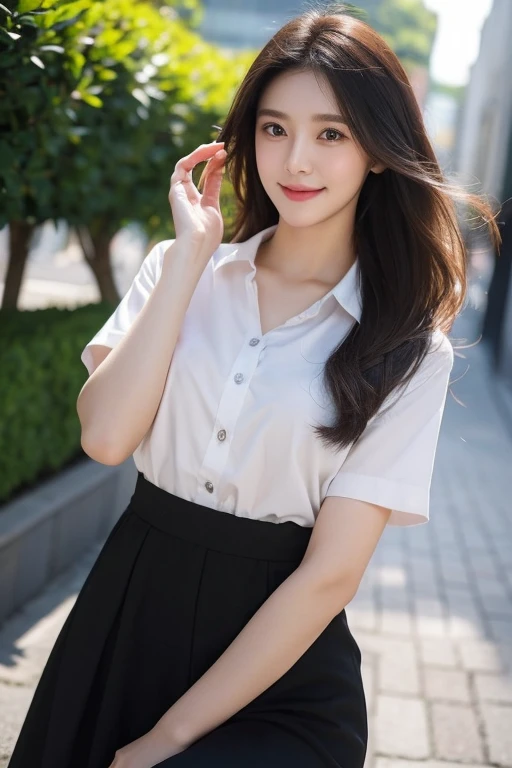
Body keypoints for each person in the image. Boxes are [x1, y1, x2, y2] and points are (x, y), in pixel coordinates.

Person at [8, 6, 500, 768]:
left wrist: (168, 741)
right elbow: (105, 438)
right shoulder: (177, 270)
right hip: (126, 615)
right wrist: (190, 263)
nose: (296, 160)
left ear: (377, 150)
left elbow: (331, 575)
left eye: (331, 133)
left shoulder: (408, 345)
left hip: (283, 670)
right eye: (275, 129)